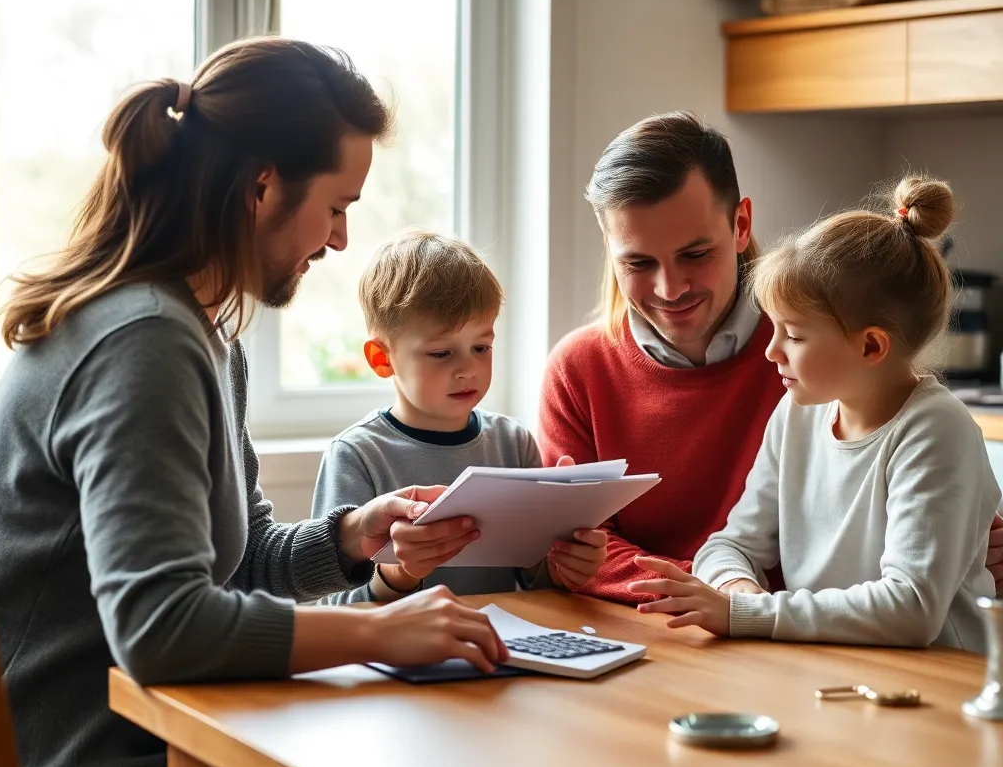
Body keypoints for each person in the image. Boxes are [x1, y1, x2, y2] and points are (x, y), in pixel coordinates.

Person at [0, 38, 507, 767]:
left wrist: (351, 538)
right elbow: (161, 626)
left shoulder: (200, 329)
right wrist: (381, 632)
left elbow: (243, 555)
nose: (341, 239)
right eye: (335, 207)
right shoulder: (141, 340)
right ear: (264, 186)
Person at [538, 113, 1003, 605]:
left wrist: (735, 603)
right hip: (680, 630)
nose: (669, 289)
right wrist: (721, 592)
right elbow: (583, 549)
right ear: (610, 251)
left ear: (740, 225)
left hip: (796, 634)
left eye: (695, 254)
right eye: (638, 262)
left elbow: (952, 540)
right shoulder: (577, 370)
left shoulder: (825, 354)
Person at [629, 177, 999, 651]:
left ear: (870, 345)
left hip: (934, 687)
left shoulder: (934, 430)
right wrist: (736, 592)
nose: (771, 352)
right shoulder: (796, 416)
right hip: (829, 668)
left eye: (795, 336)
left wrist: (746, 613)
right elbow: (730, 546)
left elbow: (911, 609)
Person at [312, 230, 607, 602]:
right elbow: (337, 609)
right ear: (381, 359)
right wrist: (397, 576)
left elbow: (535, 584)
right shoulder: (356, 455)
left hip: (496, 647)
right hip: (402, 653)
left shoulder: (513, 444)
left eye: (481, 347)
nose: (468, 368)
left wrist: (567, 562)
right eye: (441, 353)